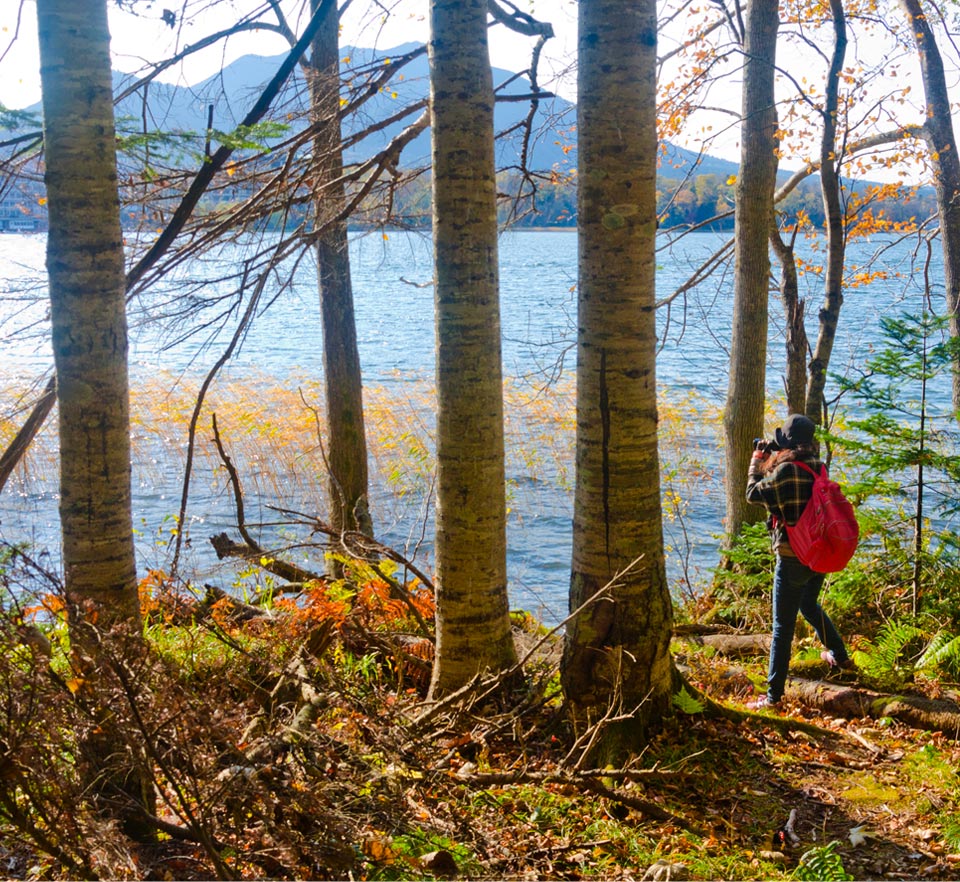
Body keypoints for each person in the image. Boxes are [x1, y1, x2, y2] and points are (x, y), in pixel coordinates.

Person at [744, 413, 853, 710]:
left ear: (788, 444)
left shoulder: (787, 471)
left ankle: (773, 698)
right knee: (809, 605)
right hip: (818, 555)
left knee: (782, 627)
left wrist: (757, 460)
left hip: (793, 558)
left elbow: (752, 494)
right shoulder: (820, 467)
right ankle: (841, 657)